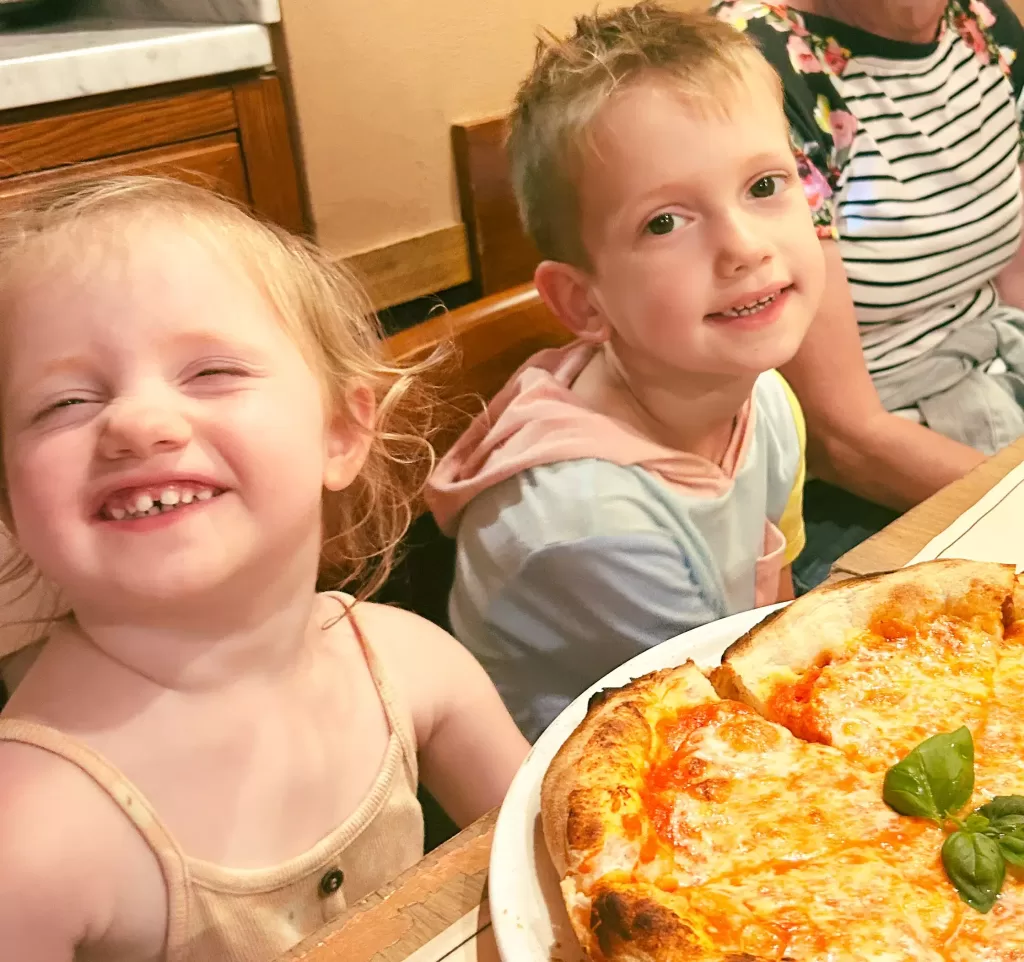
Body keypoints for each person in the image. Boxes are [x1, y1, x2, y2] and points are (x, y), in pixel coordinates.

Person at [0, 177, 528, 962]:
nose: (138, 424)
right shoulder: (28, 840)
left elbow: (567, 866)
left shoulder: (414, 668)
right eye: (64, 403)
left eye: (210, 371)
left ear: (343, 433)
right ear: (8, 501)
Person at [426, 4, 826, 742]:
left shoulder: (763, 397)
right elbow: (699, 739)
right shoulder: (590, 528)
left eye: (765, 185)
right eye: (665, 222)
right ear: (583, 301)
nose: (743, 247)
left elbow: (779, 617)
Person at [714, 0, 1024, 590]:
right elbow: (842, 438)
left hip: (996, 381)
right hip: (861, 485)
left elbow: (1017, 284)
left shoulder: (982, 23)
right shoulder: (759, 66)